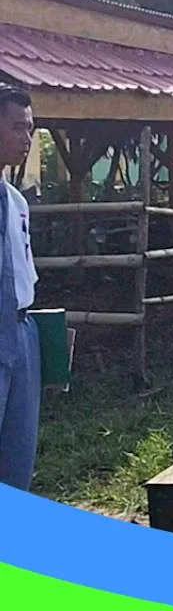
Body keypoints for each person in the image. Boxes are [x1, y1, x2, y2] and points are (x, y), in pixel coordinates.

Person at [0, 85, 39, 491]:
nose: (25, 140)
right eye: (16, 128)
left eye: (29, 129)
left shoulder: (16, 202)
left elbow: (25, 273)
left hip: (22, 331)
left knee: (18, 450)